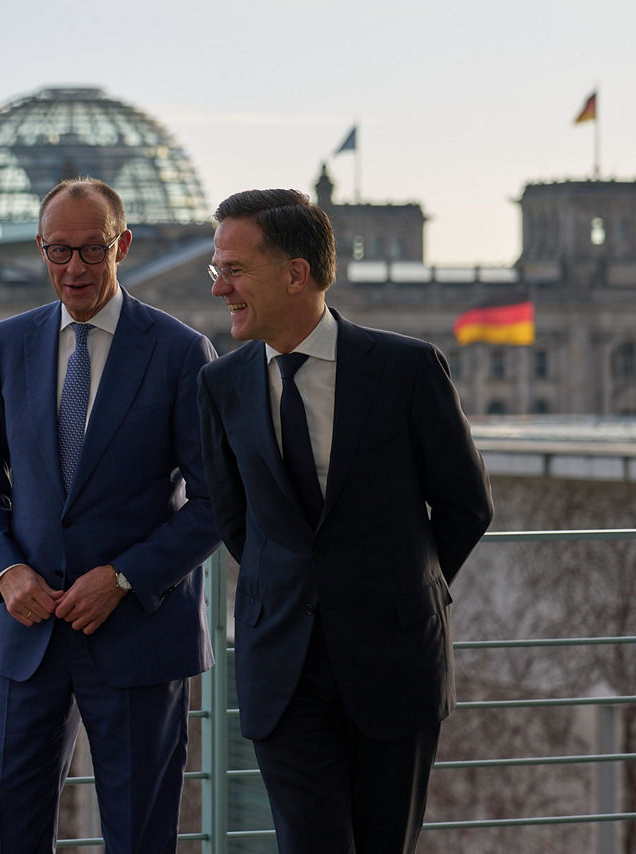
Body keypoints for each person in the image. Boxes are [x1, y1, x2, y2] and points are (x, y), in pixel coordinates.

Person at [196, 188, 494, 853]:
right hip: (284, 669)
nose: (219, 287)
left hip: (394, 658)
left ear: (295, 274)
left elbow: (465, 504)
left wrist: (396, 586)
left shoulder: (406, 368)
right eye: (216, 269)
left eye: (234, 270)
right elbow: (237, 519)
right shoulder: (220, 386)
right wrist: (292, 588)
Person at [0, 177, 221, 852]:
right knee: (11, 836)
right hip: (29, 633)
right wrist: (5, 570)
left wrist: (125, 577)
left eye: (91, 250)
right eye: (57, 252)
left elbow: (217, 501)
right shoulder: (8, 343)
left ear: (122, 245)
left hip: (135, 635)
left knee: (138, 837)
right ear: (41, 252)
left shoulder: (180, 350)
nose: (74, 269)